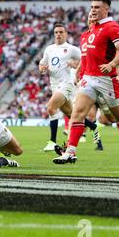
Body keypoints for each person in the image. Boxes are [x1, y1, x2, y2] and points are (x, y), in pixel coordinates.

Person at [54, 0, 119, 164]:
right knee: (78, 113)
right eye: (91, 7)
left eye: (96, 7)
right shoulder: (89, 32)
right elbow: (86, 57)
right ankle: (70, 153)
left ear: (106, 9)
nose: (92, 10)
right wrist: (79, 72)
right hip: (89, 79)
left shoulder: (112, 27)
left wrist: (112, 64)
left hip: (107, 79)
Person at [39, 23, 95, 151]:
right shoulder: (49, 49)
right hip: (54, 84)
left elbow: (85, 60)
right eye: (56, 32)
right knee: (72, 114)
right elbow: (42, 64)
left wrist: (76, 66)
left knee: (51, 108)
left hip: (67, 83)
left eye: (61, 32)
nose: (58, 34)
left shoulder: (71, 49)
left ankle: (52, 141)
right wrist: (42, 68)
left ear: (66, 34)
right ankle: (94, 127)